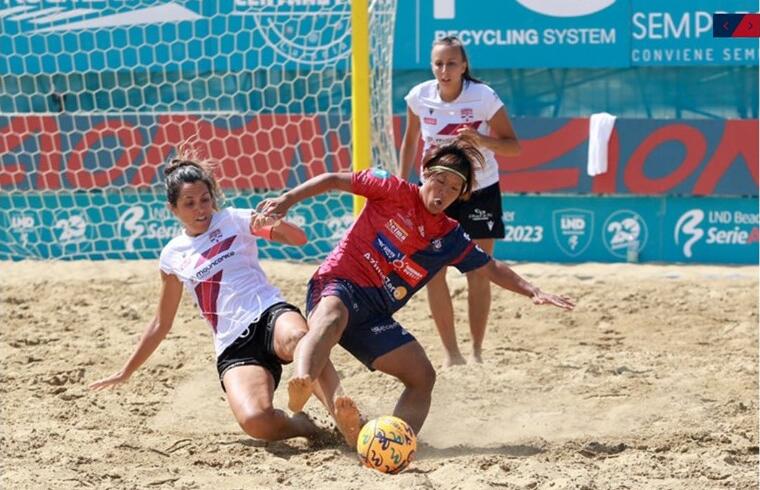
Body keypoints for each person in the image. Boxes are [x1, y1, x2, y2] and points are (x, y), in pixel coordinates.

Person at [255, 137, 574, 440]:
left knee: (423, 376)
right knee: (332, 317)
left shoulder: (449, 236)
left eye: (453, 188)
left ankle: (391, 439)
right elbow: (333, 179)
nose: (444, 192)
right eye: (440, 181)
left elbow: (489, 266)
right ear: (425, 173)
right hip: (338, 283)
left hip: (374, 315)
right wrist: (286, 200)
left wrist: (532, 290)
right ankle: (304, 380)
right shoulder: (391, 188)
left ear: (460, 195)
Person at [89, 146, 360, 444]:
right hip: (233, 343)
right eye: (189, 203)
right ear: (173, 209)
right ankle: (305, 427)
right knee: (257, 421)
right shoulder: (172, 256)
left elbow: (299, 239)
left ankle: (346, 416)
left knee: (298, 338)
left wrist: (274, 224)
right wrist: (126, 371)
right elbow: (161, 323)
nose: (200, 209)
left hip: (268, 312)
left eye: (205, 199)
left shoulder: (235, 219)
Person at [399, 35, 522, 367]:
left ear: (464, 66)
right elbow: (410, 141)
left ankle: (478, 352)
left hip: (479, 189)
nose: (444, 69)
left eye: (451, 63)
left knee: (478, 271)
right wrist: (402, 184)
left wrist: (480, 139)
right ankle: (452, 355)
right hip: (437, 192)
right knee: (433, 271)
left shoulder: (483, 97)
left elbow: (513, 145)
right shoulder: (419, 96)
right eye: (438, 63)